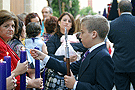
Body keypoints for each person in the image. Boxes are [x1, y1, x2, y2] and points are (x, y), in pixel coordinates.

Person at [30, 15, 114, 90]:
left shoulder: (103, 57)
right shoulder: (91, 52)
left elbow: (103, 88)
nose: (80, 36)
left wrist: (75, 85)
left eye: (82, 32)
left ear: (94, 34)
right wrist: (44, 57)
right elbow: (69, 67)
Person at [0, 10, 43, 89]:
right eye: (6, 26)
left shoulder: (5, 43)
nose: (11, 29)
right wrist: (30, 82)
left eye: (13, 26)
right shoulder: (1, 45)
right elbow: (6, 77)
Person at [108, 1, 135, 90]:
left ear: (119, 10)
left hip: (119, 66)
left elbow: (111, 39)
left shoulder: (112, 24)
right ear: (131, 9)